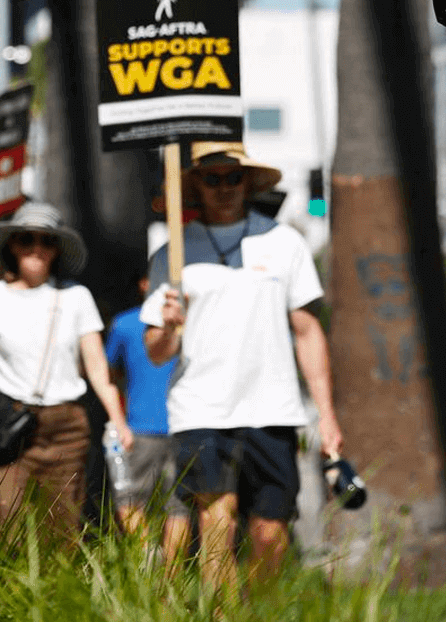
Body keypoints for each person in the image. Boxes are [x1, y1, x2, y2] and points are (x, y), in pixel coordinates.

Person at [142, 140, 344, 590]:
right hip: (201, 410)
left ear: (249, 181)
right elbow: (156, 350)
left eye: (233, 177)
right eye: (211, 178)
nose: (224, 187)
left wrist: (327, 416)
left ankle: (255, 608)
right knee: (217, 527)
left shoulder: (283, 242)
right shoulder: (171, 256)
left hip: (274, 409)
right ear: (195, 184)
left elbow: (308, 332)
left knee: (269, 535)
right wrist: (169, 326)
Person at [0, 201, 134, 545]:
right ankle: (7, 599)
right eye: (26, 239)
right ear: (11, 246)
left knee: (61, 531)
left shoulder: (76, 297)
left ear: (57, 249)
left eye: (47, 241)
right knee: (7, 526)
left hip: (65, 427)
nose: (37, 248)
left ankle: (54, 599)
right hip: (7, 422)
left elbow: (97, 369)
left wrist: (118, 421)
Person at [105, 270, 190, 568]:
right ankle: (168, 574)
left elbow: (109, 374)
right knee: (176, 505)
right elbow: (110, 373)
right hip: (155, 426)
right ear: (143, 284)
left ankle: (150, 566)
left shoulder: (125, 323)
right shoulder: (187, 322)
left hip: (150, 426)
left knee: (130, 500)